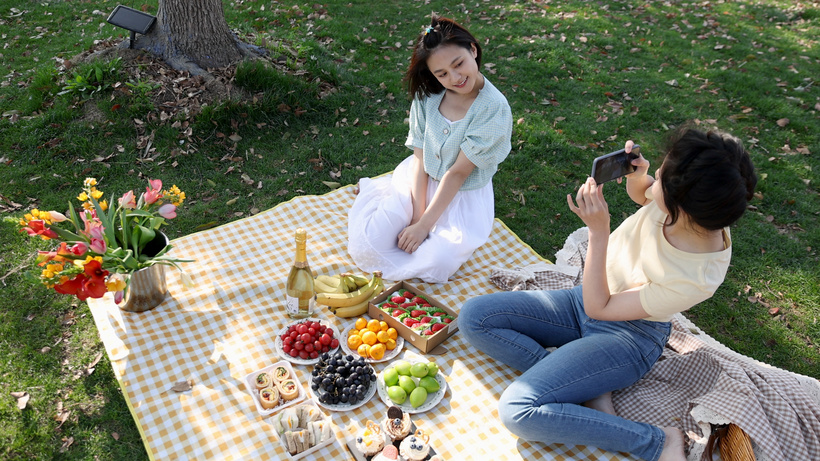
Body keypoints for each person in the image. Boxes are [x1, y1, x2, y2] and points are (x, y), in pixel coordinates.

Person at [459, 128, 757, 461]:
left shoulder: (697, 276)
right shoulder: (697, 209)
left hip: (629, 336)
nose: (656, 175)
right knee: (474, 317)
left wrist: (598, 232)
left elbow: (600, 308)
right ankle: (588, 386)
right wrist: (639, 176)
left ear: (681, 206)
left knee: (518, 410)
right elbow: (645, 197)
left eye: (661, 177)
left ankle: (656, 441)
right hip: (582, 300)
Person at [347, 15, 512, 284]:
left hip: (460, 196)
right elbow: (420, 159)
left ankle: (389, 197)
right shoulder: (428, 95)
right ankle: (378, 190)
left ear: (472, 50)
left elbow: (457, 174)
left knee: (437, 264)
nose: (455, 78)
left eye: (458, 64)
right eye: (442, 73)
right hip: (417, 181)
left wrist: (423, 226)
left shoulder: (493, 109)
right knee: (368, 245)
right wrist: (414, 216)